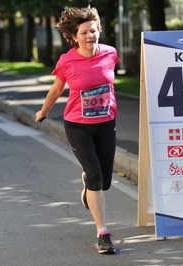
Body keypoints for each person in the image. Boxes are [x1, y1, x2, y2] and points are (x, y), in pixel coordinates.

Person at [35, 6, 120, 255]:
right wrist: (43, 111)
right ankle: (103, 233)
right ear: (74, 37)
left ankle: (89, 184)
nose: (90, 36)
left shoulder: (111, 54)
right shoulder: (67, 60)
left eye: (93, 31)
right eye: (84, 32)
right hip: (78, 126)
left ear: (98, 31)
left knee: (104, 182)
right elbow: (56, 90)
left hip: (106, 124)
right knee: (95, 176)